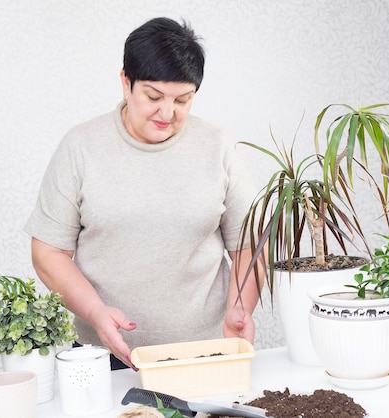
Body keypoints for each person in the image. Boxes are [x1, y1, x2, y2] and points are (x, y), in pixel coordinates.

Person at [24, 17, 263, 370]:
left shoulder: (217, 147)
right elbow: (49, 251)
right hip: (105, 356)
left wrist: (240, 307)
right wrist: (96, 312)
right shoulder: (81, 147)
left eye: (183, 100)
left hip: (207, 352)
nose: (167, 113)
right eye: (153, 96)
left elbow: (248, 246)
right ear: (126, 82)